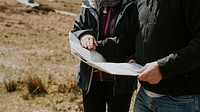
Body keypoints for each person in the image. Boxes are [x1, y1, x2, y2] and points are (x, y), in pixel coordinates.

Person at [71, 0, 138, 111]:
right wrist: (84, 34)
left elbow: (130, 40)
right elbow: (78, 28)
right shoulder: (90, 3)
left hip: (121, 80)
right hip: (92, 78)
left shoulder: (133, 5)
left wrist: (98, 45)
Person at [132, 0, 200, 112]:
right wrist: (134, 56)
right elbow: (138, 36)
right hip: (144, 98)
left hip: (181, 100)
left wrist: (162, 68)